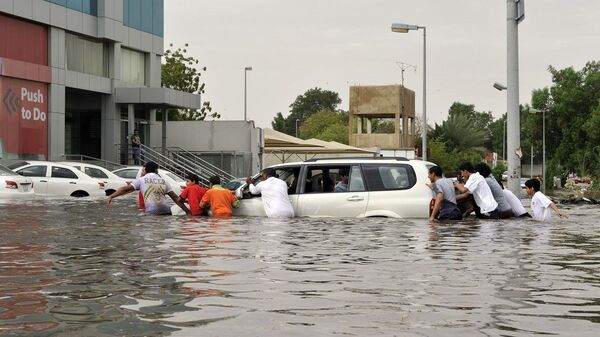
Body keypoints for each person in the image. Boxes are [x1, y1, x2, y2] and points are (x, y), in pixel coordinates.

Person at [106, 161, 189, 215]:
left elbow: (124, 189)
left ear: (145, 170)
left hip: (152, 212)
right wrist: (187, 211)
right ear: (156, 170)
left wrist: (111, 196)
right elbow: (175, 198)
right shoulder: (164, 181)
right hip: (166, 210)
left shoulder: (141, 180)